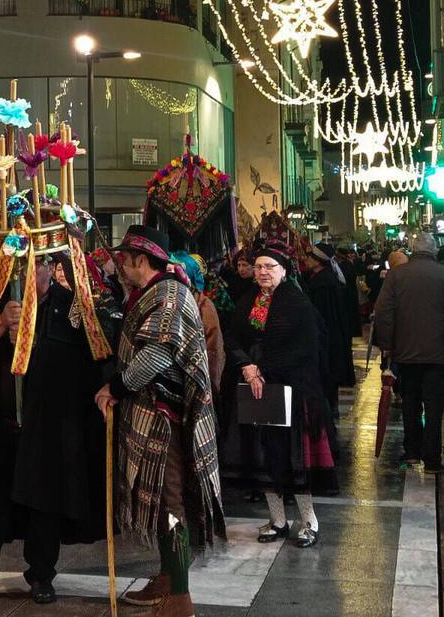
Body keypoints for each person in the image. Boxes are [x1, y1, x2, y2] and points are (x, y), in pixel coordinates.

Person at [0, 255, 109, 608]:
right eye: (19, 264)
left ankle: (41, 575)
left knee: (44, 504)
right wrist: (2, 321)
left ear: (49, 266)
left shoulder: (70, 306)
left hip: (50, 426)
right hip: (1, 425)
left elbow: (89, 361)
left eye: (34, 264)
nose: (26, 272)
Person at [95, 225, 224, 616]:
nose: (120, 266)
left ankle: (180, 598)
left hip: (164, 418)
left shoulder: (168, 294)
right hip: (154, 413)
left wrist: (115, 387)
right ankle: (169, 577)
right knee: (166, 502)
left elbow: (158, 354)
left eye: (124, 259)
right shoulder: (154, 291)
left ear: (141, 260)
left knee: (171, 505)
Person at [226, 245, 331, 548]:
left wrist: (263, 368)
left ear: (284, 270)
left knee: (293, 457)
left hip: (292, 389)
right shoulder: (247, 300)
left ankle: (309, 521)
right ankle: (277, 520)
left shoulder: (297, 302)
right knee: (264, 454)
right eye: (258, 266)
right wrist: (247, 367)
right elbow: (232, 337)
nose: (262, 272)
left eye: (269, 266)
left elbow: (306, 347)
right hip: (255, 387)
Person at [372, 232, 444, 472]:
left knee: (410, 402)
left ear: (412, 250)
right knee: (434, 407)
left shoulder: (396, 276)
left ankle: (412, 451)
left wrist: (387, 345)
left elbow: (383, 311)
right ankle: (432, 458)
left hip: (406, 352)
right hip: (439, 353)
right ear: (434, 250)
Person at [301, 242, 355, 413]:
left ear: (318, 261)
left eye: (310, 257)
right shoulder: (324, 278)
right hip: (333, 336)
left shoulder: (323, 283)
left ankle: (328, 410)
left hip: (327, 337)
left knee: (327, 372)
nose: (306, 259)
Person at [170, 252, 225, 394]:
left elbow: (213, 350)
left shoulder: (203, 305)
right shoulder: (164, 297)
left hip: (195, 382)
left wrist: (210, 387)